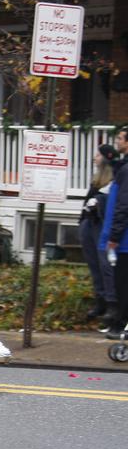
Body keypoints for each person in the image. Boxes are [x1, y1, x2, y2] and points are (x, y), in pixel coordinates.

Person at [79, 144, 116, 325]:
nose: (95, 157)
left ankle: (111, 303)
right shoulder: (96, 182)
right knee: (94, 265)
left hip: (101, 226)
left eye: (98, 155)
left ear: (105, 159)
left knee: (105, 266)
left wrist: (98, 203)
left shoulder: (113, 181)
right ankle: (100, 300)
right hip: (89, 224)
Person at [100, 128, 128, 338]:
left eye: (120, 138)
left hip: (124, 241)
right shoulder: (123, 167)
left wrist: (114, 237)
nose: (117, 140)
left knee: (122, 287)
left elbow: (123, 206)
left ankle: (120, 326)